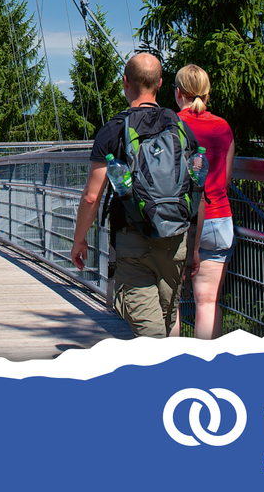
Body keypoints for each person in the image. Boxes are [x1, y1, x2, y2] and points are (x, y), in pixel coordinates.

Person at [70, 52, 204, 338]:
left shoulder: (113, 132)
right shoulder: (181, 129)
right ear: (160, 84)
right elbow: (196, 188)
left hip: (133, 239)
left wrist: (80, 240)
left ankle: (162, 379)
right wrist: (194, 245)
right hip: (176, 239)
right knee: (167, 323)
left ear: (125, 82)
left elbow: (92, 197)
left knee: (151, 335)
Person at [170, 64, 235, 340]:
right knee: (207, 303)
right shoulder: (222, 127)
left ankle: (169, 370)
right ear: (207, 94)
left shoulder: (171, 125)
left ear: (178, 92)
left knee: (170, 304)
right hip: (218, 218)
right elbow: (226, 179)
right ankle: (205, 370)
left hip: (179, 220)